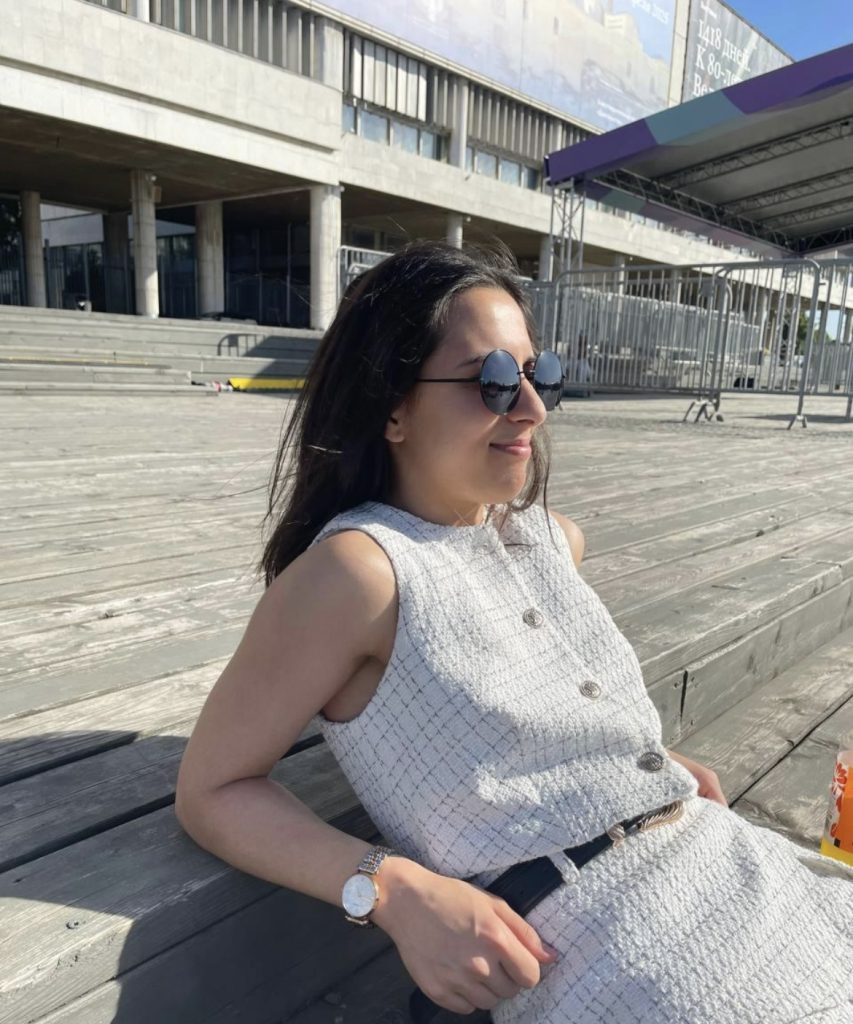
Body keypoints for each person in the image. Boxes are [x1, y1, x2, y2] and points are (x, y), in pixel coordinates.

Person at [175, 241, 853, 1024]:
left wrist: (634, 764)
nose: (531, 407)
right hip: (616, 944)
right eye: (492, 380)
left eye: (538, 374)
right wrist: (393, 889)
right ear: (391, 405)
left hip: (729, 863)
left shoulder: (546, 539)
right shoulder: (357, 574)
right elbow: (212, 789)